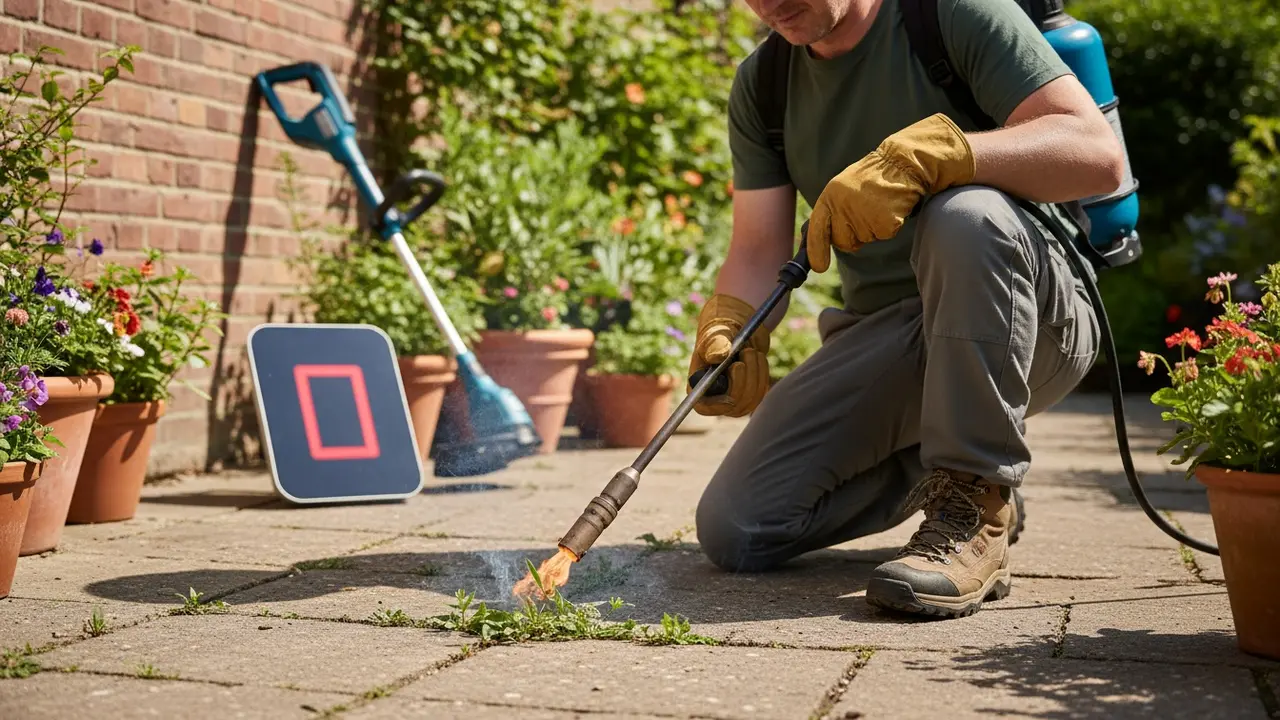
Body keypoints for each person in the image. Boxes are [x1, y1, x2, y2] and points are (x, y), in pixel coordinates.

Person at [687, 0, 1122, 618]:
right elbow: (758, 247)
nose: (769, 4)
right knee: (738, 526)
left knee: (964, 214)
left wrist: (939, 157)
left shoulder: (953, 14)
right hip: (889, 338)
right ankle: (954, 470)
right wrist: (729, 323)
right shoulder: (765, 81)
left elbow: (1097, 156)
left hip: (1031, 319)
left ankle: (975, 504)